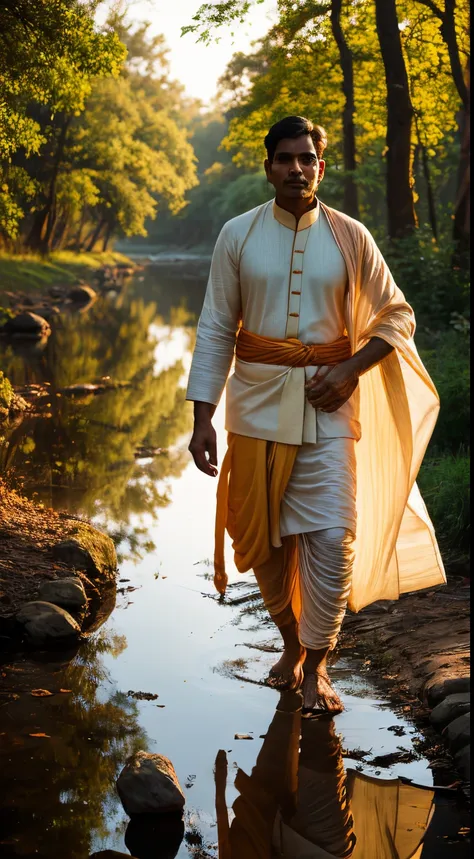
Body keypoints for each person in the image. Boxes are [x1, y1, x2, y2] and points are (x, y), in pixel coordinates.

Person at [186, 115, 445, 716]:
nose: (297, 168)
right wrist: (203, 417)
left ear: (320, 166)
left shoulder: (352, 235)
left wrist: (351, 369)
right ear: (269, 165)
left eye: (307, 158)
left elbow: (396, 317)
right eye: (285, 158)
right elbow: (216, 326)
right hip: (252, 413)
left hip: (331, 410)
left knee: (331, 540)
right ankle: (288, 648)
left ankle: (317, 665)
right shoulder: (238, 234)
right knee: (266, 548)